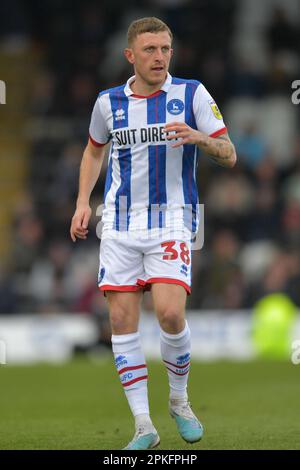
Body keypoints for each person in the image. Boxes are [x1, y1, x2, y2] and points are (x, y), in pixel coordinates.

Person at [70, 17, 236, 450]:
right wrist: (82, 202)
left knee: (169, 314)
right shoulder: (108, 103)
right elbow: (93, 151)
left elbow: (230, 153)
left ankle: (179, 400)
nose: (160, 57)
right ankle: (144, 424)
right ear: (130, 56)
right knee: (122, 322)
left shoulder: (191, 94)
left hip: (173, 220)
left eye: (165, 49)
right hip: (120, 225)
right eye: (150, 50)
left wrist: (199, 136)